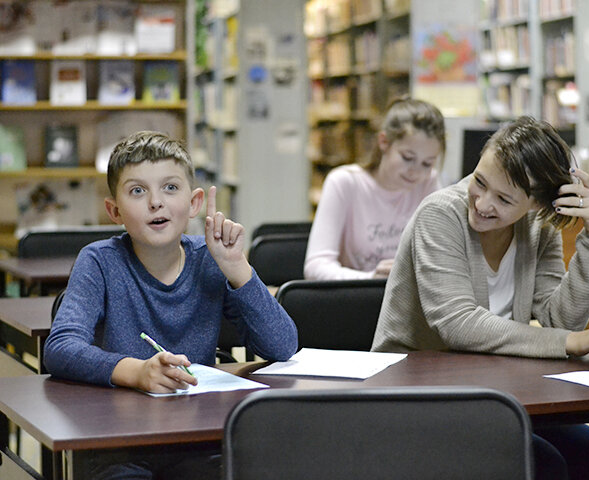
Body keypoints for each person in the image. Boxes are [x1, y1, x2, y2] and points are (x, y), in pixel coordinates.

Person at [372, 116, 589, 479]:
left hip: (494, 389)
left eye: (504, 199)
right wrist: (574, 341)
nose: (481, 202)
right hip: (419, 392)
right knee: (545, 465)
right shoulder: (439, 215)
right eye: (479, 181)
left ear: (538, 205)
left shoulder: (539, 226)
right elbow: (458, 324)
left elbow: (561, 322)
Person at [43, 130, 298, 479]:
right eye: (137, 191)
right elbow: (59, 347)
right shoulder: (100, 262)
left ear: (194, 203)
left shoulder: (211, 260)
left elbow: (282, 346)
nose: (155, 202)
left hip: (200, 440)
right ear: (114, 210)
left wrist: (238, 268)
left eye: (170, 188)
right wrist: (138, 372)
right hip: (117, 445)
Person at [304, 96, 446, 280]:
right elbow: (315, 266)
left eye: (427, 163)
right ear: (384, 142)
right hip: (356, 299)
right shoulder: (344, 183)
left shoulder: (428, 183)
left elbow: (440, 257)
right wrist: (370, 278)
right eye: (407, 158)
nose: (415, 172)